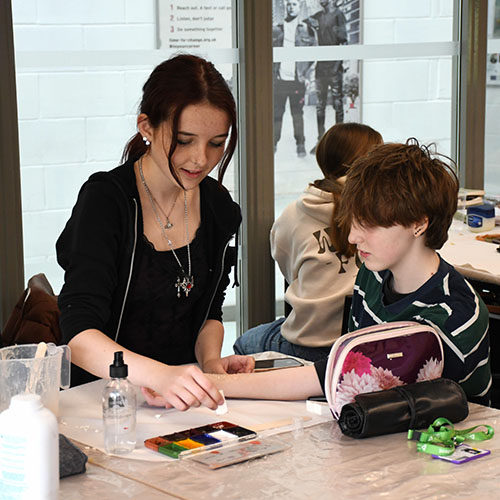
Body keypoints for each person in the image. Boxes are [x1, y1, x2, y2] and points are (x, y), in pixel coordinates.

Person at [143, 139, 491, 408]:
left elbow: (326, 378)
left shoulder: (447, 318)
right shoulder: (374, 276)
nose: (354, 238)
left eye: (369, 226)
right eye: (353, 223)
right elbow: (340, 371)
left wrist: (198, 385)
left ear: (419, 224)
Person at [56, 54, 254, 411]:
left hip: (176, 403)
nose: (200, 159)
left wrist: (210, 364)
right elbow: (79, 335)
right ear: (146, 126)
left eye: (216, 143)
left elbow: (210, 312)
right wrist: (158, 375)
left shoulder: (219, 208)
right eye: (184, 140)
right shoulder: (107, 200)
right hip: (103, 400)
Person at [233, 123, 383, 361]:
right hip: (364, 344)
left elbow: (288, 270)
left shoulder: (295, 213)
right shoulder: (381, 211)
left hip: (310, 344)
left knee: (243, 343)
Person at [273, 0, 316, 157]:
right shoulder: (276, 29)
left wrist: (307, 76)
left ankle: (300, 145)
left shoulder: (307, 30)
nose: (291, 7)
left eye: (294, 4)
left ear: (300, 7)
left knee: (297, 114)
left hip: (298, 80)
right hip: (279, 80)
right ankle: (273, 145)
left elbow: (314, 55)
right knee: (276, 114)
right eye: (289, 4)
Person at [308, 0, 347, 154]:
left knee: (337, 103)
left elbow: (344, 42)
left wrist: (337, 66)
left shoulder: (338, 15)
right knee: (320, 105)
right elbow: (305, 23)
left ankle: (341, 143)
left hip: (334, 67)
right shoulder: (317, 16)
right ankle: (321, 140)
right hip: (321, 67)